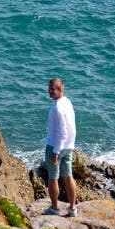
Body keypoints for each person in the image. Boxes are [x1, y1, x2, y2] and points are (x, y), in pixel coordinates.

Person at [44, 77, 77, 217]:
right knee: (68, 177)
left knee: (53, 178)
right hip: (69, 146)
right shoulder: (67, 102)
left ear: (60, 90)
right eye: (49, 88)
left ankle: (55, 208)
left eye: (53, 89)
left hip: (55, 146)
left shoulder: (58, 107)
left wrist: (56, 151)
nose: (49, 91)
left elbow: (62, 131)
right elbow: (71, 127)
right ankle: (72, 208)